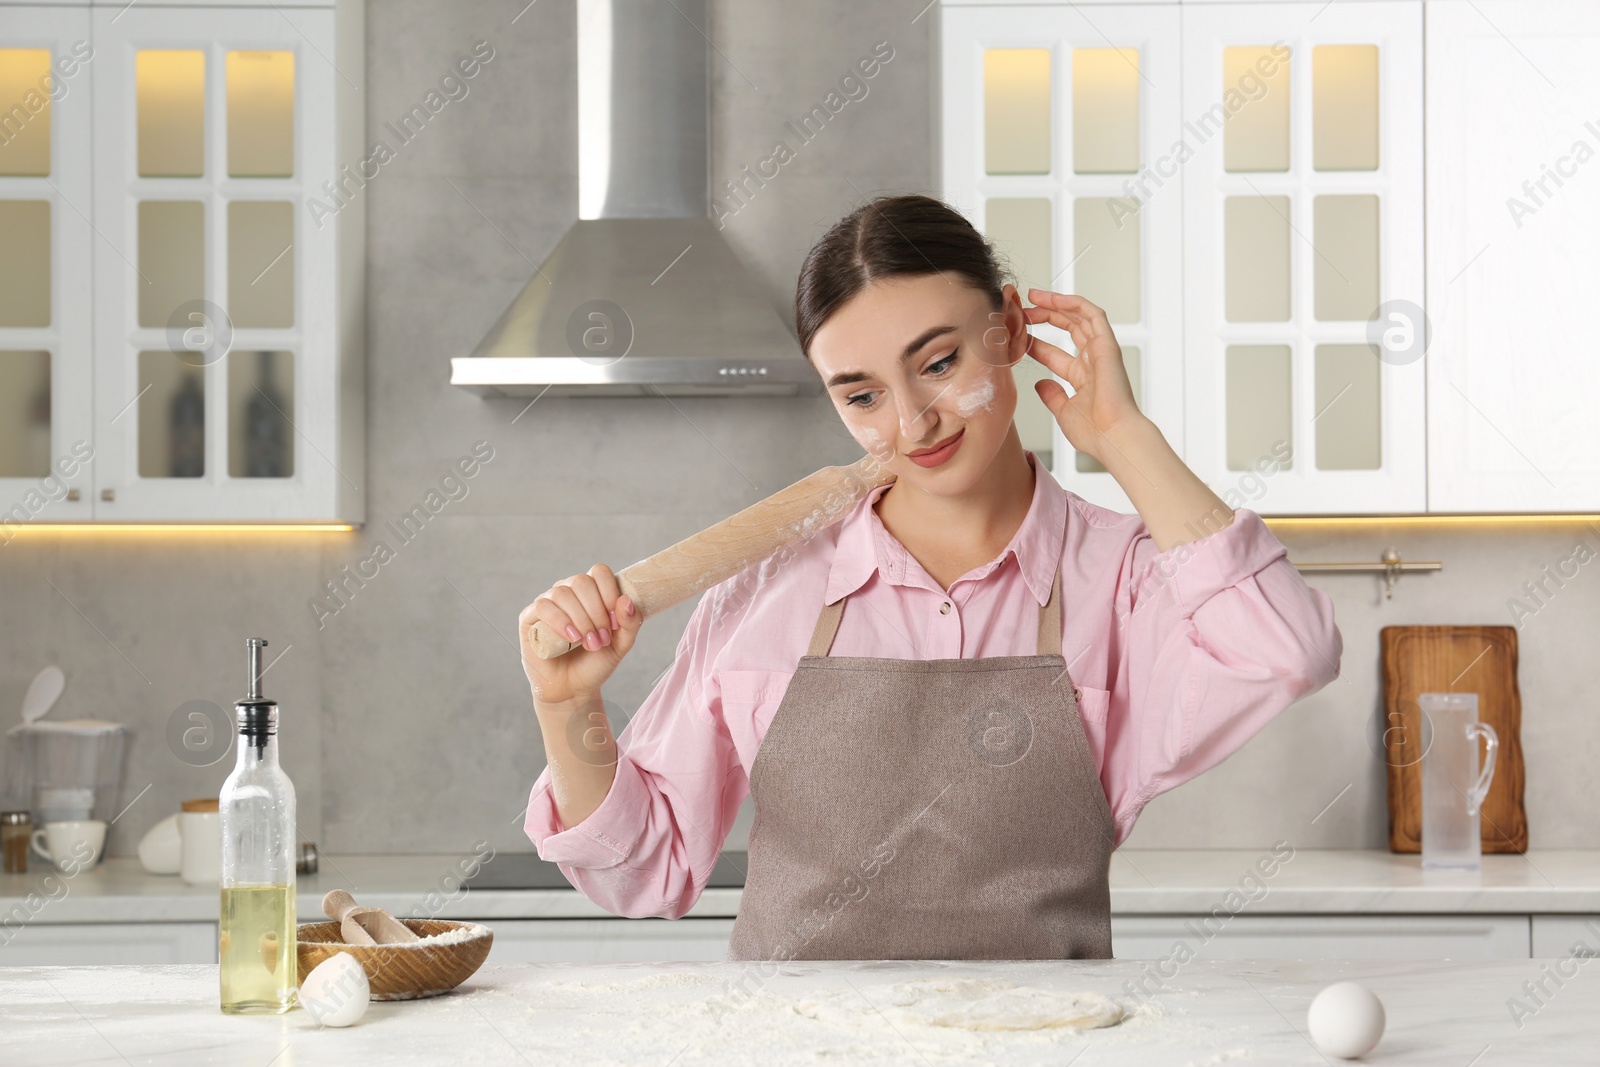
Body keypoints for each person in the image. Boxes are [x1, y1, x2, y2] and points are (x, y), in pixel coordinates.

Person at [518, 194, 1342, 961]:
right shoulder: (768, 586)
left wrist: (1122, 436)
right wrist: (567, 708)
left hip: (1041, 1049)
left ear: (1011, 329)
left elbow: (1287, 651)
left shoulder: (1122, 578)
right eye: (863, 395)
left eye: (940, 362)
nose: (912, 423)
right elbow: (648, 871)